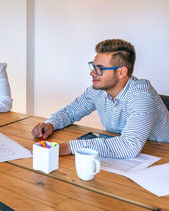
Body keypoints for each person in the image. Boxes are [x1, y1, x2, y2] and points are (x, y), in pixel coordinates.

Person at [31, 39, 169, 159]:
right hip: (124, 159)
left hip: (160, 159)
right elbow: (69, 112)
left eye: (99, 68)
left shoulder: (142, 94)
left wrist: (69, 147)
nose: (92, 73)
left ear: (121, 72)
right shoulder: (98, 90)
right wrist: (50, 124)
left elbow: (129, 146)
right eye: (93, 66)